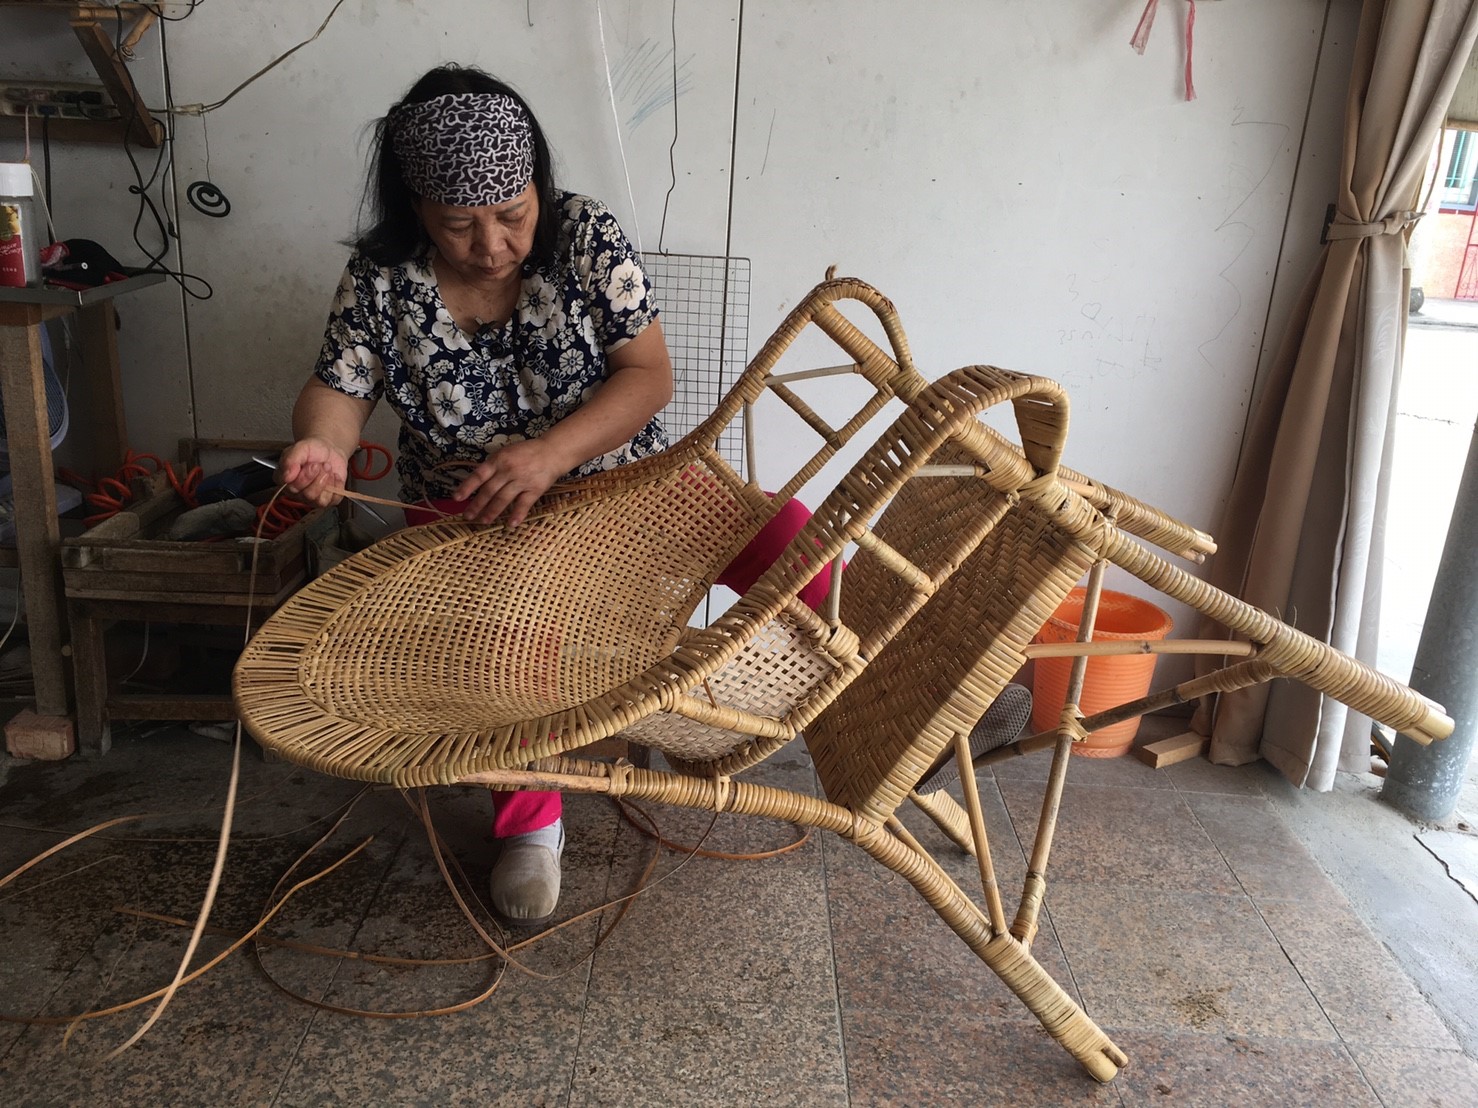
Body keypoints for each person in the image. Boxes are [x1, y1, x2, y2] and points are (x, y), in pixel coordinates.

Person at [279, 64, 674, 928]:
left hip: (610, 490)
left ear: (538, 187)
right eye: (460, 225)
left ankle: (851, 685)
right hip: (473, 517)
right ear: (416, 208)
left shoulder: (586, 237)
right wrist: (322, 445)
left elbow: (648, 377)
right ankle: (531, 826)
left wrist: (551, 455)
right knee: (504, 638)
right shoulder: (382, 278)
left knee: (781, 527)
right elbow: (338, 392)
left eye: (512, 215)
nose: (492, 245)